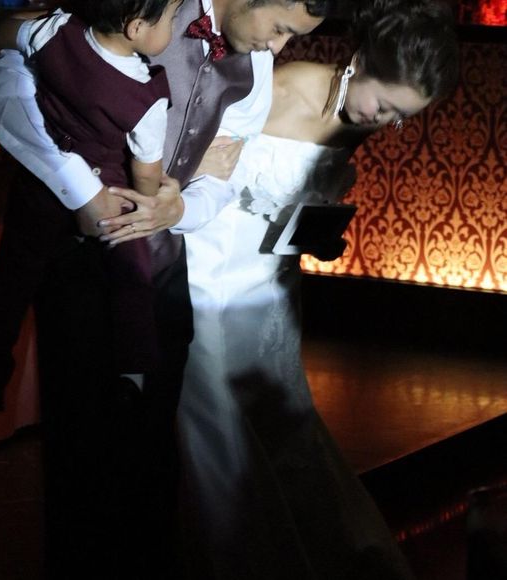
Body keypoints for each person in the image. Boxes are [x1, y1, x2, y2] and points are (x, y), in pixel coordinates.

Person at [0, 0, 327, 577]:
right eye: (282, 28)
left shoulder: (255, 68)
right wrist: (79, 189)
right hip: (78, 261)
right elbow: (2, 82)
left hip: (161, 270)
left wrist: (180, 208)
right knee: (82, 460)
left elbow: (224, 174)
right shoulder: (141, 5)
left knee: (152, 458)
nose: (280, 47)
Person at [121, 0, 456, 578]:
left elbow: (296, 195)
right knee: (219, 429)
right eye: (385, 105)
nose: (385, 122)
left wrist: (318, 232)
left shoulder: (358, 121)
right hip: (211, 270)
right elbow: (190, 153)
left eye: (402, 117)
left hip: (272, 286)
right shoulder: (274, 88)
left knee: (283, 423)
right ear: (359, 62)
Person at [0, 0, 183, 411]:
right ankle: (132, 376)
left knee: (13, 274)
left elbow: (2, 33)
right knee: (133, 276)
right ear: (136, 27)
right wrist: (149, 200)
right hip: (110, 187)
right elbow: (146, 172)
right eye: (171, 18)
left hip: (39, 185)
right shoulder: (147, 94)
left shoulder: (56, 32)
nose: (174, 26)